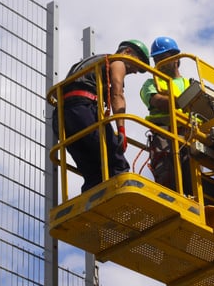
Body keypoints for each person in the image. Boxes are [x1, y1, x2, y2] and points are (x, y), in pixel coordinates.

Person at [53, 39, 151, 192]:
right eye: (137, 65)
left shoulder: (91, 65)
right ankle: (122, 197)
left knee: (93, 171)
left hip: (62, 118)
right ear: (127, 52)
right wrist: (122, 132)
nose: (135, 71)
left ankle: (93, 203)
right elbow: (117, 95)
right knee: (116, 160)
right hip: (82, 111)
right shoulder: (117, 62)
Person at [140, 36, 192, 193]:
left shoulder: (190, 84)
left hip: (190, 136)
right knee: (168, 175)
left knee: (193, 177)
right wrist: (185, 101)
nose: (158, 64)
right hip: (164, 135)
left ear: (176, 58)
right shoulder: (151, 83)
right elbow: (157, 101)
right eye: (156, 60)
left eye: (162, 58)